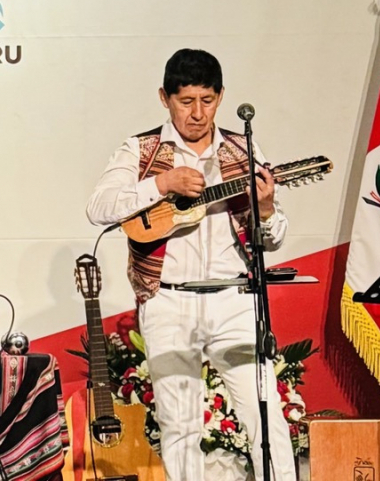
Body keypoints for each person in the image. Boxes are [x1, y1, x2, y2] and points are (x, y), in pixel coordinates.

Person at [86, 48, 296, 481]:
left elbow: (271, 239)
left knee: (266, 419)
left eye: (207, 100)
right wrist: (162, 183)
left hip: (235, 300)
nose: (198, 113)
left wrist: (269, 207)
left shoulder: (243, 149)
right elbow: (99, 206)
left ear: (220, 97)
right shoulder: (143, 149)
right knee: (179, 426)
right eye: (186, 101)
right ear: (165, 98)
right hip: (168, 301)